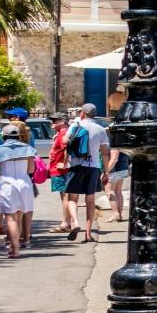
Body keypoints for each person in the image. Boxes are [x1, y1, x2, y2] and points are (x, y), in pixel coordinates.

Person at [0, 121, 39, 258]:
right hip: (24, 183)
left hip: (7, 183)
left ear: (4, 136)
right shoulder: (28, 149)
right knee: (20, 214)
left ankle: (14, 248)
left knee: (11, 218)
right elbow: (31, 169)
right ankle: (16, 244)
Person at [64, 103, 109, 243]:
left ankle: (76, 223)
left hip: (77, 165)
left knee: (72, 198)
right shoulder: (100, 129)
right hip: (94, 166)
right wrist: (106, 171)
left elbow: (65, 141)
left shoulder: (76, 126)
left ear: (82, 113)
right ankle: (88, 234)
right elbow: (105, 152)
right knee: (90, 200)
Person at [48, 110, 75, 236]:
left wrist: (63, 163)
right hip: (59, 168)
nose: (52, 122)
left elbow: (66, 150)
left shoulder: (63, 133)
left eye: (55, 120)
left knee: (65, 196)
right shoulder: (61, 133)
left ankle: (66, 223)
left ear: (63, 122)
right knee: (64, 195)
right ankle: (67, 222)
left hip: (60, 169)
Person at [104, 148, 131, 220]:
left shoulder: (114, 143)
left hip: (114, 170)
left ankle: (115, 214)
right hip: (123, 167)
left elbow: (114, 159)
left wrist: (105, 172)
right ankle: (119, 214)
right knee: (118, 192)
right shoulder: (123, 141)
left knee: (109, 191)